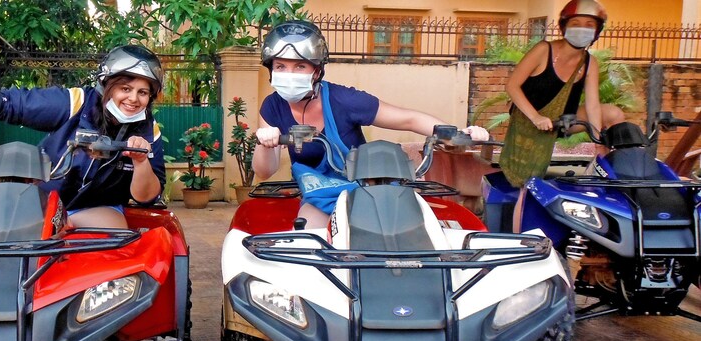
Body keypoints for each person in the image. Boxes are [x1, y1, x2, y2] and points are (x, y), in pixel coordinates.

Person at [252, 20, 490, 229]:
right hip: (319, 196)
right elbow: (264, 171)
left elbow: (409, 119)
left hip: (369, 188)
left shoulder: (344, 100)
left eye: (300, 66)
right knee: (308, 239)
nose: (289, 74)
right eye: (281, 66)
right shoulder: (272, 107)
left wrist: (460, 133)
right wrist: (265, 142)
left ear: (316, 70)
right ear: (271, 68)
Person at [0, 45, 165, 229]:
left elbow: (147, 196)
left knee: (115, 236)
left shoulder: (147, 131)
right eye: (125, 88)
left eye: (143, 92)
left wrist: (140, 162)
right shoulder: (76, 103)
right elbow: (3, 103)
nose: (133, 98)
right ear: (107, 84)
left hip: (95, 212)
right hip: (38, 202)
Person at [500, 0, 625, 187]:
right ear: (564, 26)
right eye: (575, 24)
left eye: (589, 25)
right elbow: (512, 86)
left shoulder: (589, 63)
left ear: (597, 31)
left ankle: (606, 172)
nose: (582, 29)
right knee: (525, 181)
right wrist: (536, 117)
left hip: (563, 120)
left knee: (614, 114)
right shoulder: (544, 50)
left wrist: (598, 142)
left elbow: (592, 105)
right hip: (529, 120)